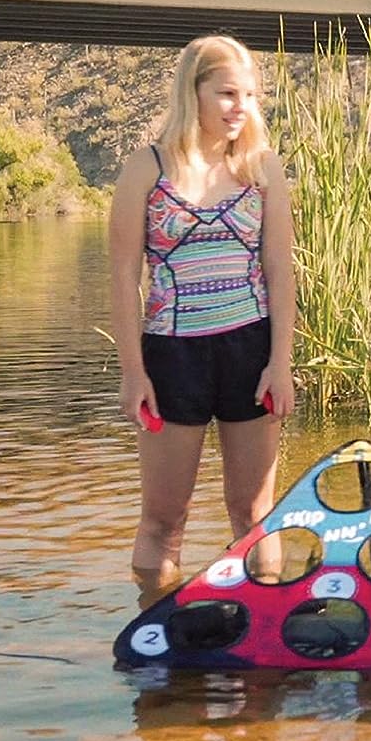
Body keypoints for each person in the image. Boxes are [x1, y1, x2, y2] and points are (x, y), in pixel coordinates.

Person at [109, 34, 296, 600]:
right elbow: (122, 276)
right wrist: (133, 373)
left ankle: (263, 631)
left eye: (250, 95)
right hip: (173, 358)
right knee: (163, 522)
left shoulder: (263, 169)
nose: (241, 106)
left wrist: (280, 364)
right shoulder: (147, 169)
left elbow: (281, 273)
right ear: (194, 92)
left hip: (250, 352)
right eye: (228, 93)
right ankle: (157, 638)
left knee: (254, 512)